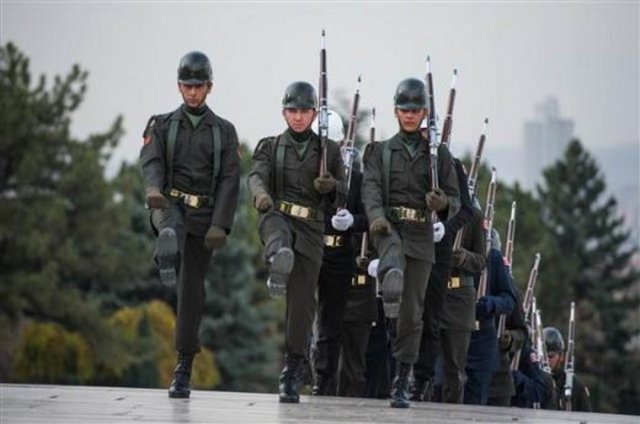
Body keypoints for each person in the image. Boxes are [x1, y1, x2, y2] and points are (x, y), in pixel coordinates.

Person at [139, 51, 241, 398]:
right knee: (172, 231)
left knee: (192, 292)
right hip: (168, 205)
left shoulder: (224, 132)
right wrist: (153, 189)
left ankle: (183, 367)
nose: (192, 92)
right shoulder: (162, 124)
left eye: (198, 86)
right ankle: (166, 251)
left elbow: (230, 180)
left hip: (203, 218)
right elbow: (151, 160)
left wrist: (221, 225)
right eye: (187, 86)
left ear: (209, 87)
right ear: (179, 86)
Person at [361, 77, 460, 408]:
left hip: (420, 238)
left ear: (424, 113)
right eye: (403, 109)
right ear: (395, 111)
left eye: (415, 110)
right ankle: (390, 279)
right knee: (394, 273)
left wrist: (441, 203)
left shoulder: (439, 156)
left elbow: (456, 201)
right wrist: (376, 218)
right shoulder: (379, 152)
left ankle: (402, 378)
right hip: (389, 231)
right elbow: (371, 190)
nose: (408, 115)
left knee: (412, 315)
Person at [248, 81, 346, 403]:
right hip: (277, 215)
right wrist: (261, 196)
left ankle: (293, 366)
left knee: (302, 307)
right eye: (293, 110)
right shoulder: (270, 146)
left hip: (311, 229)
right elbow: (256, 175)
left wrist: (330, 187)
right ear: (284, 112)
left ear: (314, 113)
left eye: (305, 111)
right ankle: (278, 258)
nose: (299, 117)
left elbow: (342, 196)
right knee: (278, 237)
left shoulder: (329, 151)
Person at [412, 124, 478, 402]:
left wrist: (446, 226)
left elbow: (467, 209)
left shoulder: (452, 164)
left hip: (438, 257)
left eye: (431, 133)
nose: (427, 137)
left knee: (449, 360)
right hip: (413, 250)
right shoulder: (408, 162)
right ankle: (413, 387)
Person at [311, 110, 368, 396]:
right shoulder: (307, 177)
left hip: (341, 257)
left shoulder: (356, 180)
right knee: (313, 324)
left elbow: (371, 218)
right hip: (312, 252)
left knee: (331, 325)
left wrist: (353, 222)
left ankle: (324, 382)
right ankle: (313, 377)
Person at [438, 200, 486, 403]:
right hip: (432, 292)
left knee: (455, 369)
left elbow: (481, 260)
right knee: (420, 366)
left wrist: (464, 257)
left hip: (459, 298)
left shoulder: (473, 215)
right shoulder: (432, 208)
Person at [464, 229, 516, 405]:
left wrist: (491, 304)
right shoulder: (449, 250)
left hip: (480, 344)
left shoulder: (492, 257)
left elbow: (509, 300)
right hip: (450, 341)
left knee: (474, 407)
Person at [543, 326, 592, 412]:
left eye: (551, 356)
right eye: (543, 356)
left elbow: (586, 416)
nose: (546, 360)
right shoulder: (533, 383)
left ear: (561, 356)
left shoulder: (575, 385)